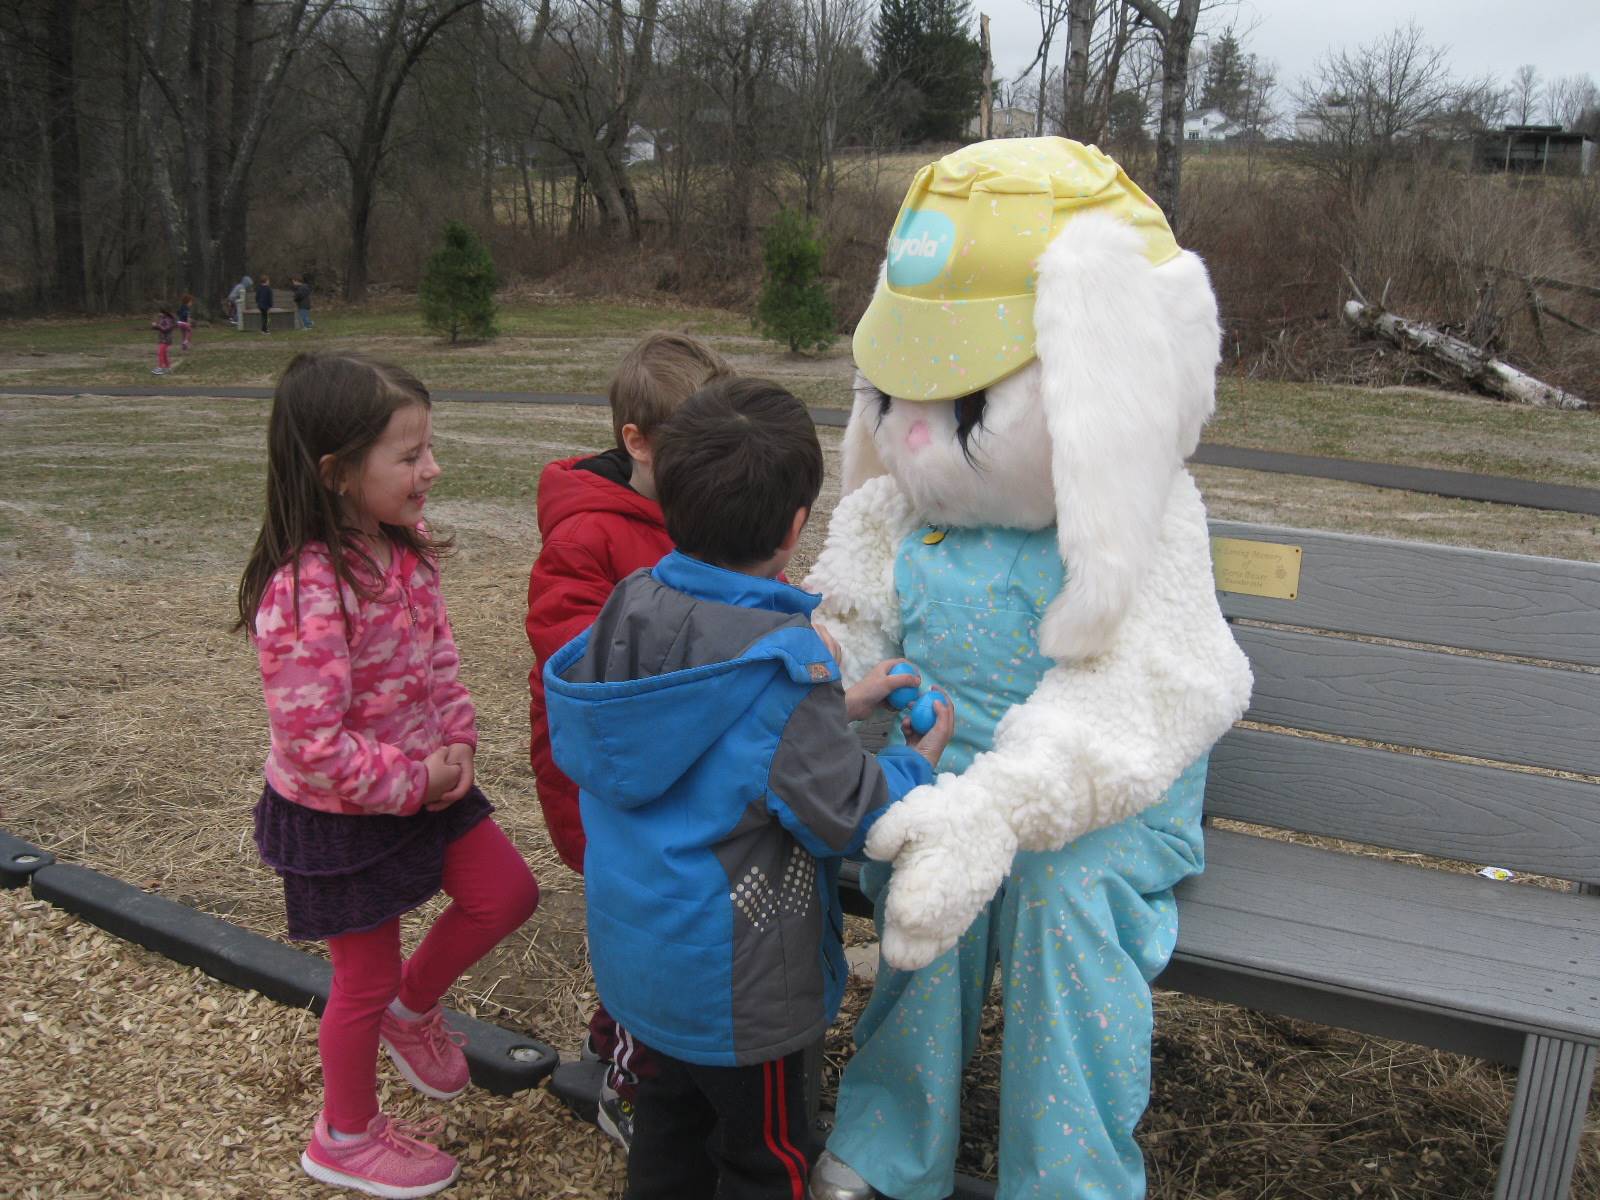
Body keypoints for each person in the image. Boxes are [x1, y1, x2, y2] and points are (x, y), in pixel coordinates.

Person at [543, 377, 955, 1200]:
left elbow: (704, 731)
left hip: (640, 966)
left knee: (665, 1141)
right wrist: (921, 760)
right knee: (766, 1162)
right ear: (797, 525)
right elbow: (847, 811)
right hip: (741, 997)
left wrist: (841, 701)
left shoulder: (631, 608)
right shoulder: (778, 666)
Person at [237, 351, 540, 1198]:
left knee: (508, 893)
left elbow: (441, 661)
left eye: (428, 450)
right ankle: (343, 1134)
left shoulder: (403, 555)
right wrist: (415, 778)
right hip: (344, 815)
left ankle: (417, 1011)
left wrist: (460, 743)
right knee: (359, 980)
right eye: (408, 457)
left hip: (426, 786)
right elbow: (312, 747)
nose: (431, 470)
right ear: (335, 474)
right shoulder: (305, 592)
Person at [524, 331, 730, 1148]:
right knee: (646, 923)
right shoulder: (588, 535)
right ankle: (632, 1087)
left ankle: (614, 1038)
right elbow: (577, 654)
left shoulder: (690, 510)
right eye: (692, 451)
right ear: (636, 442)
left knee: (655, 916)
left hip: (671, 762)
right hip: (608, 776)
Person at [151, 307, 176, 375]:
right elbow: (160, 328)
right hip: (162, 338)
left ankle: (160, 368)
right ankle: (168, 368)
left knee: (160, 353)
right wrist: (154, 326)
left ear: (164, 313)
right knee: (164, 353)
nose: (159, 314)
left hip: (166, 339)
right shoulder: (162, 319)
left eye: (160, 312)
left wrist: (157, 326)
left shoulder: (168, 319)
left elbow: (166, 329)